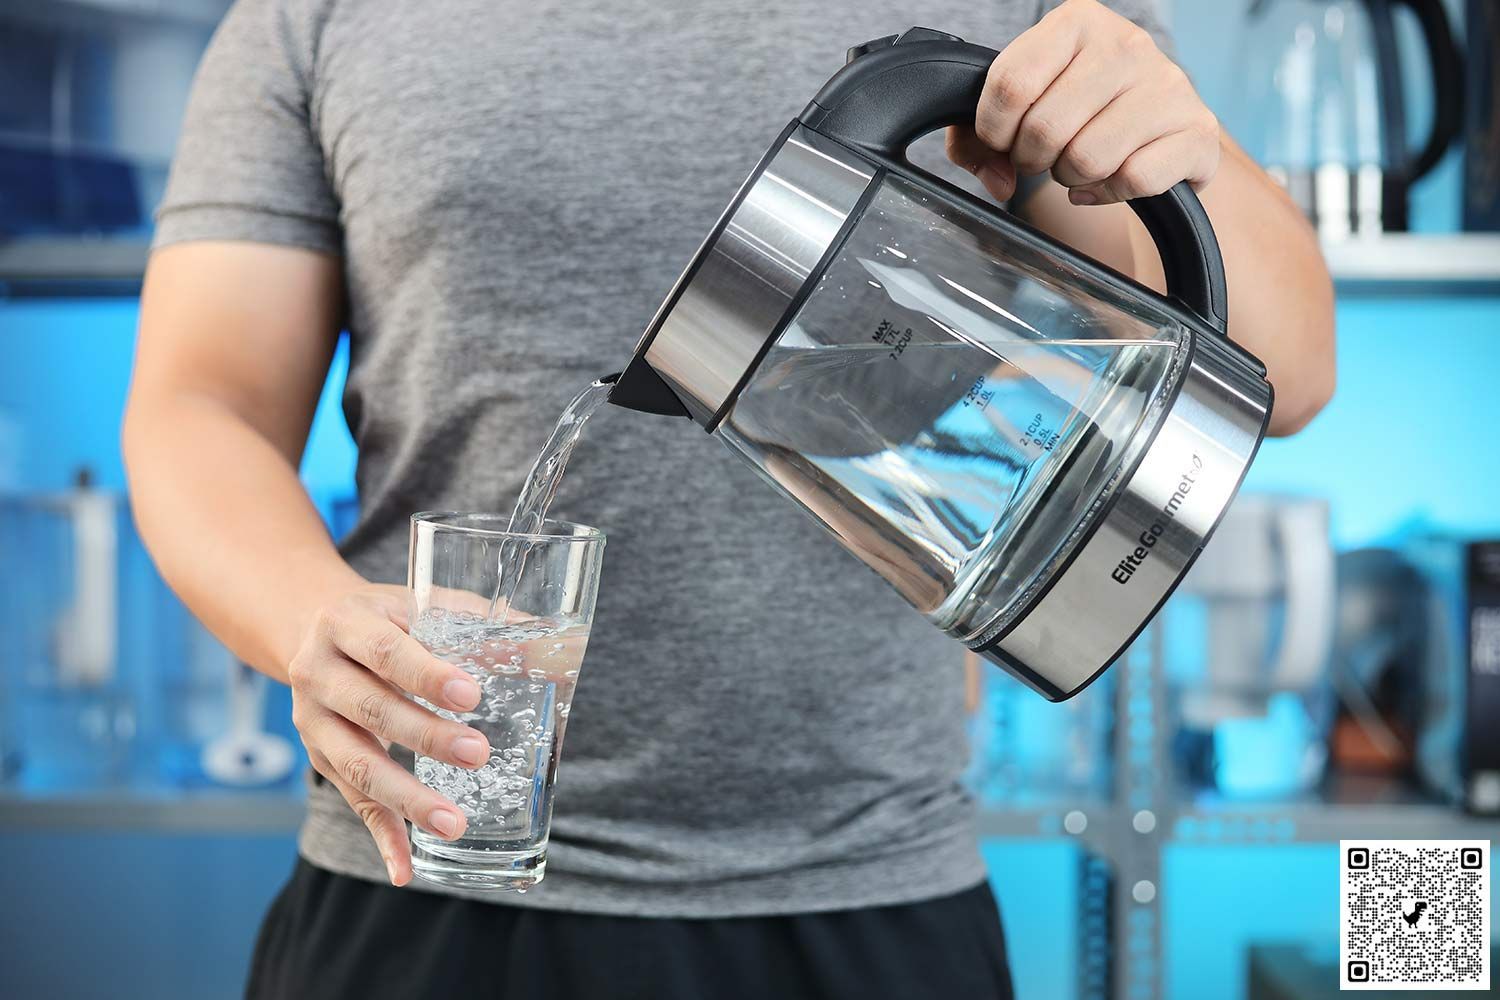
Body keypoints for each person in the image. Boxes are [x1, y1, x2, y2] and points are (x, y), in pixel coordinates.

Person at [122, 0, 1334, 996]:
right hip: (422, 880)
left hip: (867, 902)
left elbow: (1291, 369)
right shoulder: (312, 16)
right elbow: (200, 404)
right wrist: (305, 621)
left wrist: (1190, 149)